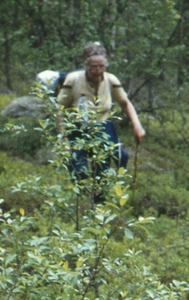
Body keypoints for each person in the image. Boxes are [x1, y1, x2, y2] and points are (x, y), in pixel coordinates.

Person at [56, 42, 145, 193]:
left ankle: (102, 200)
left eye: (102, 67)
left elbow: (125, 103)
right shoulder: (73, 80)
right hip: (78, 127)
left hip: (102, 125)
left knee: (114, 159)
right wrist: (64, 137)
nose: (98, 71)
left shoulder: (111, 80)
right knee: (79, 167)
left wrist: (137, 125)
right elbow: (59, 109)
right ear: (86, 66)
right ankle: (81, 199)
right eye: (94, 67)